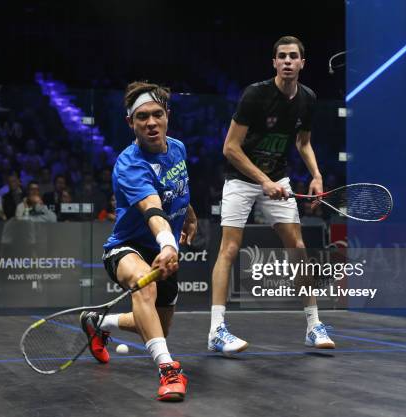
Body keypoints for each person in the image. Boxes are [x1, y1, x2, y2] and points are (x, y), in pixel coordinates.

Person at [207, 36, 335, 356]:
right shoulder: (256, 95)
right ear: (274, 63)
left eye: (294, 56)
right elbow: (230, 148)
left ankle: (313, 325)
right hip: (242, 179)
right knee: (230, 248)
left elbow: (302, 143)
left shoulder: (307, 98)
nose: (288, 61)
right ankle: (216, 329)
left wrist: (316, 176)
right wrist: (263, 181)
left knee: (298, 246)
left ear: (302, 63)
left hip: (278, 179)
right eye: (282, 56)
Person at [80, 81, 197, 402]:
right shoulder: (129, 164)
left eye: (157, 114)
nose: (151, 122)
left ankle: (99, 322)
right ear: (130, 122)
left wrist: (188, 214)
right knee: (146, 288)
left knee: (158, 325)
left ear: (167, 115)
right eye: (142, 117)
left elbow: (174, 187)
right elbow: (152, 208)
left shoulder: (178, 148)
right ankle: (168, 370)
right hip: (126, 248)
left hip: (164, 249)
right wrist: (168, 244)